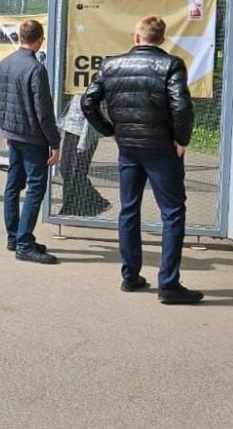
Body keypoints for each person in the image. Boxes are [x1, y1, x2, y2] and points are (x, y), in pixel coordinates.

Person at [81, 16, 202, 304]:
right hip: (162, 149)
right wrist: (181, 140)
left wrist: (110, 130)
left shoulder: (111, 65)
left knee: (129, 209)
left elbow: (88, 102)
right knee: (172, 213)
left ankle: (130, 275)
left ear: (137, 37)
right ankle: (168, 284)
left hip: (129, 148)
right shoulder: (171, 65)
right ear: (162, 39)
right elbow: (181, 106)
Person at [0, 19, 61, 264]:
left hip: (14, 134)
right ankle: (23, 243)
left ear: (20, 37)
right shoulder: (36, 69)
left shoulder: (4, 64)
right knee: (35, 187)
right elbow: (44, 111)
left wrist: (6, 129)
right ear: (39, 39)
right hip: (33, 137)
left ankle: (15, 236)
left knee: (13, 185)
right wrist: (55, 142)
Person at [57, 95, 111, 217]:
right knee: (66, 170)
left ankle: (72, 210)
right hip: (71, 130)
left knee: (75, 172)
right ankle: (96, 204)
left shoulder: (93, 90)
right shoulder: (77, 89)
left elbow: (91, 115)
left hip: (82, 135)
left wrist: (83, 142)